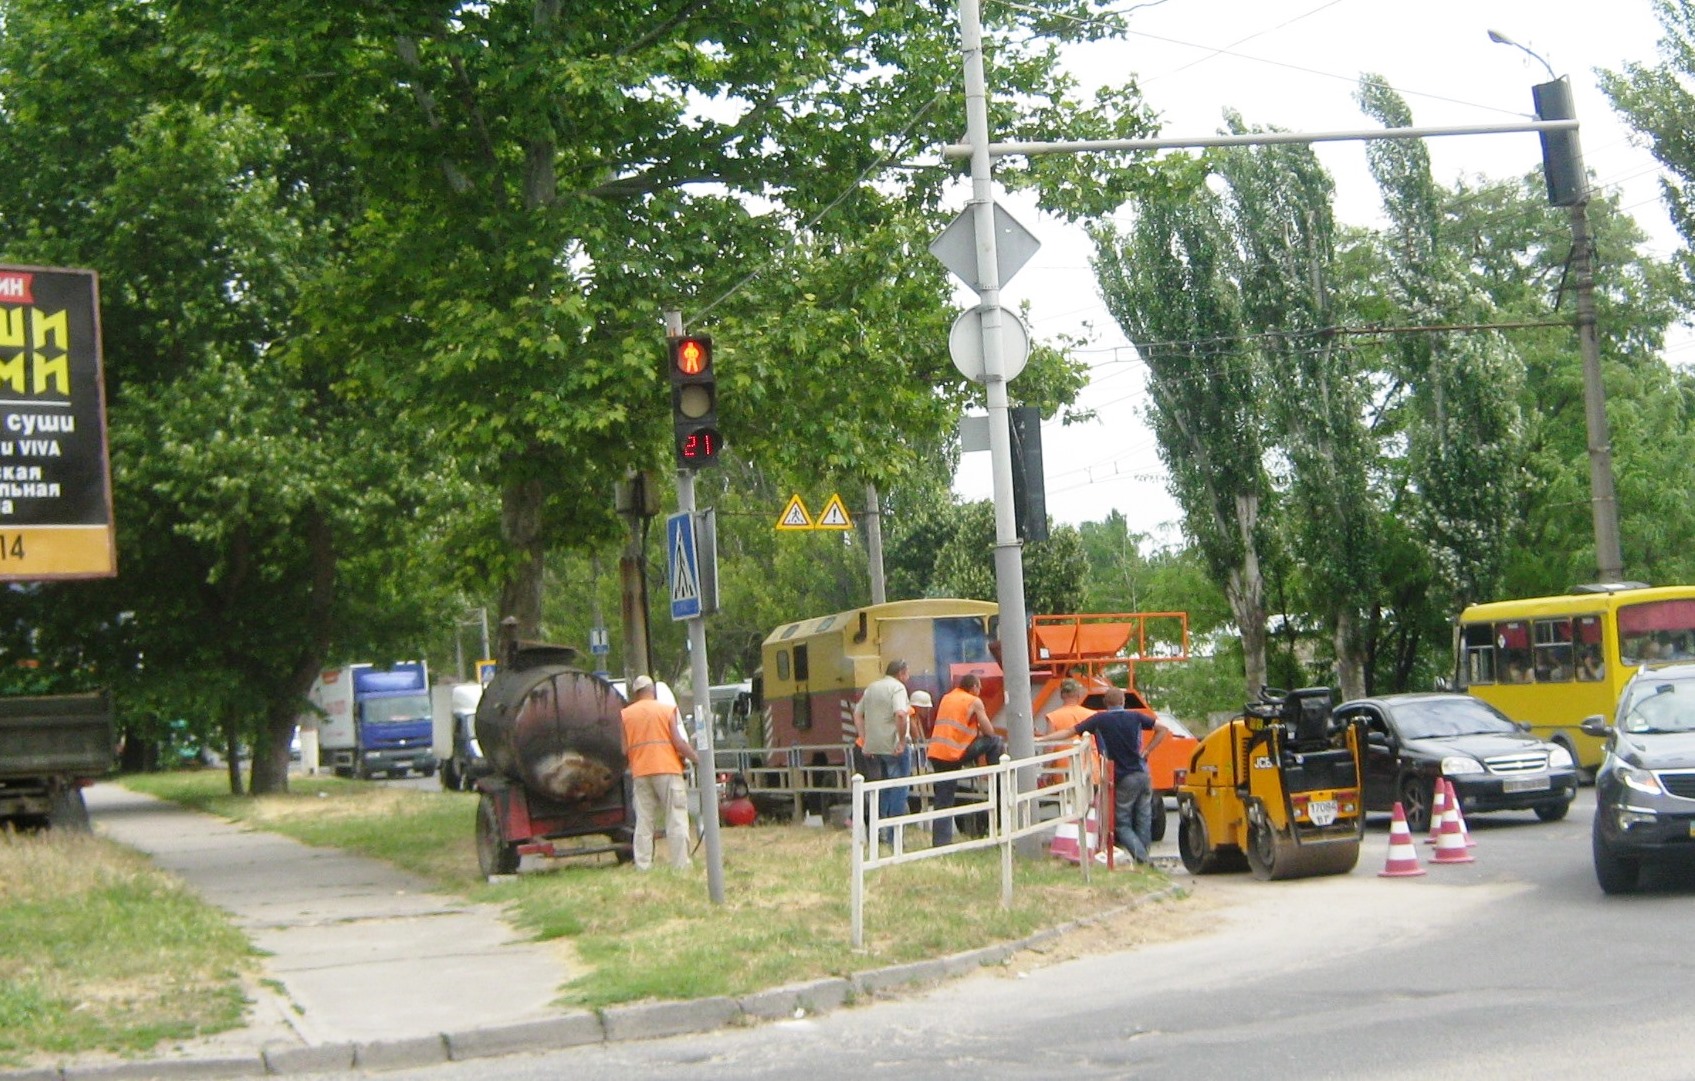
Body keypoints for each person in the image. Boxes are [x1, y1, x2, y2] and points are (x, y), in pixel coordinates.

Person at [1040, 686, 1166, 864]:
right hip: (1143, 774)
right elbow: (1162, 728)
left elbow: (1069, 732)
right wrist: (1147, 751)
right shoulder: (1136, 717)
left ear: (1106, 703)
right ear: (1123, 701)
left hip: (1123, 776)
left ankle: (1143, 859)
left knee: (1121, 824)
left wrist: (1042, 739)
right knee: (1143, 817)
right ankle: (1143, 857)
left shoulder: (1100, 720)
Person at [619, 675, 699, 871]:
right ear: (652, 691)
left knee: (644, 822)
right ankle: (681, 864)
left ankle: (643, 865)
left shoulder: (626, 715)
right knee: (676, 818)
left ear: (636, 694)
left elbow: (623, 749)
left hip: (641, 773)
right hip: (667, 770)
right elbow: (678, 742)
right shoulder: (665, 710)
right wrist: (698, 759)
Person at [926, 673, 1002, 846]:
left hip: (937, 752)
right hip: (955, 753)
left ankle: (941, 842)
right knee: (995, 741)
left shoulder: (947, 697)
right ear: (973, 686)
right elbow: (989, 730)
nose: (980, 690)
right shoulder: (974, 701)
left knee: (943, 799)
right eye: (979, 687)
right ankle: (997, 776)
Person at [852, 659, 911, 845]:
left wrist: (864, 739)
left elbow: (857, 713)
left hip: (874, 747)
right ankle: (895, 838)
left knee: (881, 790)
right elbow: (901, 714)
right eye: (907, 673)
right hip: (893, 747)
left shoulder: (872, 688)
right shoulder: (898, 688)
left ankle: (876, 834)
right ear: (901, 673)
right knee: (899, 789)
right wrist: (901, 741)